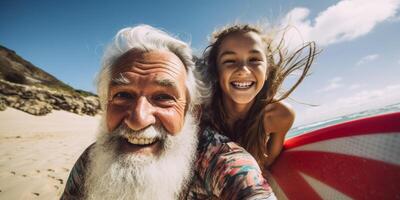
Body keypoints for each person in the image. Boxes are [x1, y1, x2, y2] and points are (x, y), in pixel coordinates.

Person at [61, 24, 276, 199]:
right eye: (123, 95)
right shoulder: (91, 161)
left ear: (192, 112)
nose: (138, 119)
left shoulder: (219, 159)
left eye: (163, 97)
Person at [198, 24, 317, 171]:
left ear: (267, 70)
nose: (243, 70)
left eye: (254, 59)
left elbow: (264, 166)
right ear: (216, 71)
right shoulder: (200, 114)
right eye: (229, 61)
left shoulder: (279, 115)